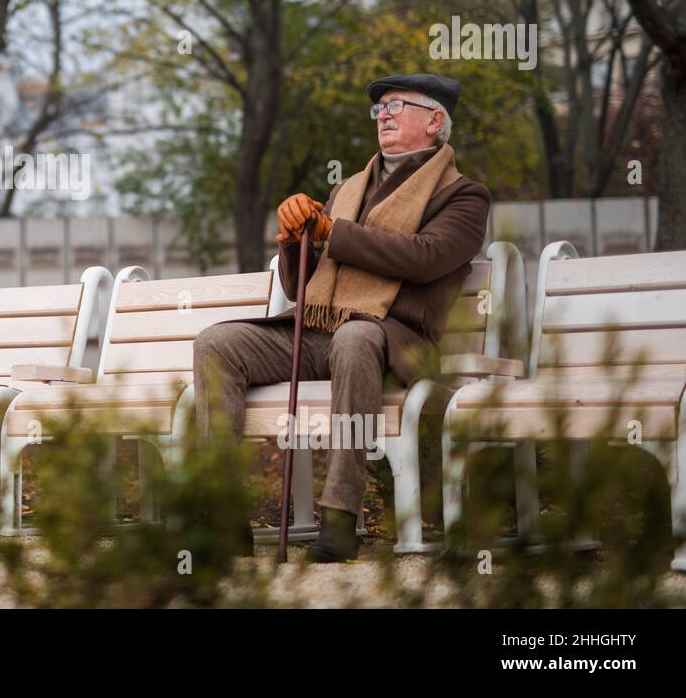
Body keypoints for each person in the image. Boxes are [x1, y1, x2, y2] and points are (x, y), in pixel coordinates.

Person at [192, 73, 490, 562]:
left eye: (398, 105)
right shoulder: (349, 189)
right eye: (380, 109)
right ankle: (221, 516)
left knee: (355, 336)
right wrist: (293, 237)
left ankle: (340, 517)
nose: (385, 115)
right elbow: (298, 288)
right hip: (319, 333)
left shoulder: (463, 195)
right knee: (216, 344)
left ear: (435, 121)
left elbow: (427, 257)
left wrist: (335, 230)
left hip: (397, 341)